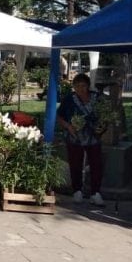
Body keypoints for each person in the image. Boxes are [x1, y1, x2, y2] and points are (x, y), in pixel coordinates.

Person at [56, 73, 105, 206]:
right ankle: (77, 191)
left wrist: (102, 126)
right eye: (77, 86)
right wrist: (68, 127)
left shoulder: (97, 98)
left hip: (93, 137)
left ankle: (95, 193)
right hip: (75, 137)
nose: (80, 89)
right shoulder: (69, 99)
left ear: (88, 86)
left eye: (83, 85)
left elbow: (106, 115)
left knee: (96, 165)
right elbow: (59, 116)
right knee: (75, 164)